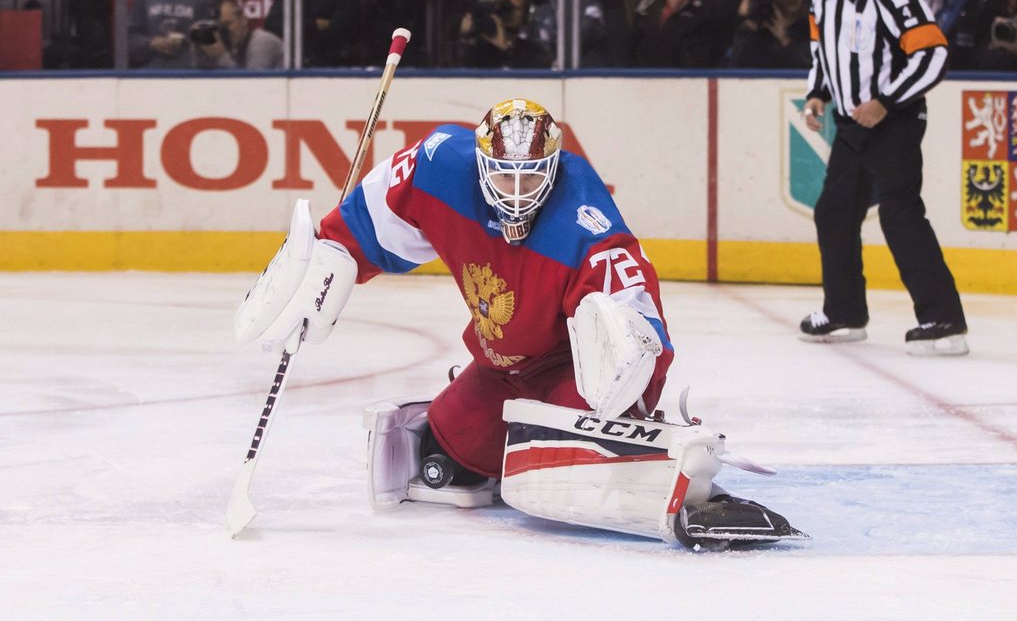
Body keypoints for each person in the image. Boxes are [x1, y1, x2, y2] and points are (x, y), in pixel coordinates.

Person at [233, 98, 807, 550]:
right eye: (503, 176)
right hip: (499, 363)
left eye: (530, 177)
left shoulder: (583, 216)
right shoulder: (437, 163)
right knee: (455, 441)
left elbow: (637, 321)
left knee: (563, 465)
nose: (514, 192)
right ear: (481, 162)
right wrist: (329, 265)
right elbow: (365, 224)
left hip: (564, 368)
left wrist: (629, 392)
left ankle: (665, 466)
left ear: (551, 167)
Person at [800, 0, 968, 356]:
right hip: (853, 124)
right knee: (834, 212)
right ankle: (845, 313)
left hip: (894, 122)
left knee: (899, 213)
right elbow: (822, 51)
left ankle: (945, 320)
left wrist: (887, 101)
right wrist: (818, 93)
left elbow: (934, 55)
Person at [457, 0, 550, 68]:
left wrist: (505, 48)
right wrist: (467, 40)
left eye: (515, 8)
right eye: (504, 6)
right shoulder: (482, 50)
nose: (508, 12)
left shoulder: (535, 54)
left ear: (526, 15)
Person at [726, 0, 809, 69]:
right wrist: (748, 27)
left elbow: (812, 69)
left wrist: (785, 41)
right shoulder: (759, 25)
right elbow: (733, 72)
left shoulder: (814, 27)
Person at [194, 0, 283, 68]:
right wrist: (199, 51)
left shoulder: (262, 42)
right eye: (221, 27)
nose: (225, 31)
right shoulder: (234, 49)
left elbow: (252, 83)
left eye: (228, 24)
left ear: (243, 20)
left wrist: (221, 54)